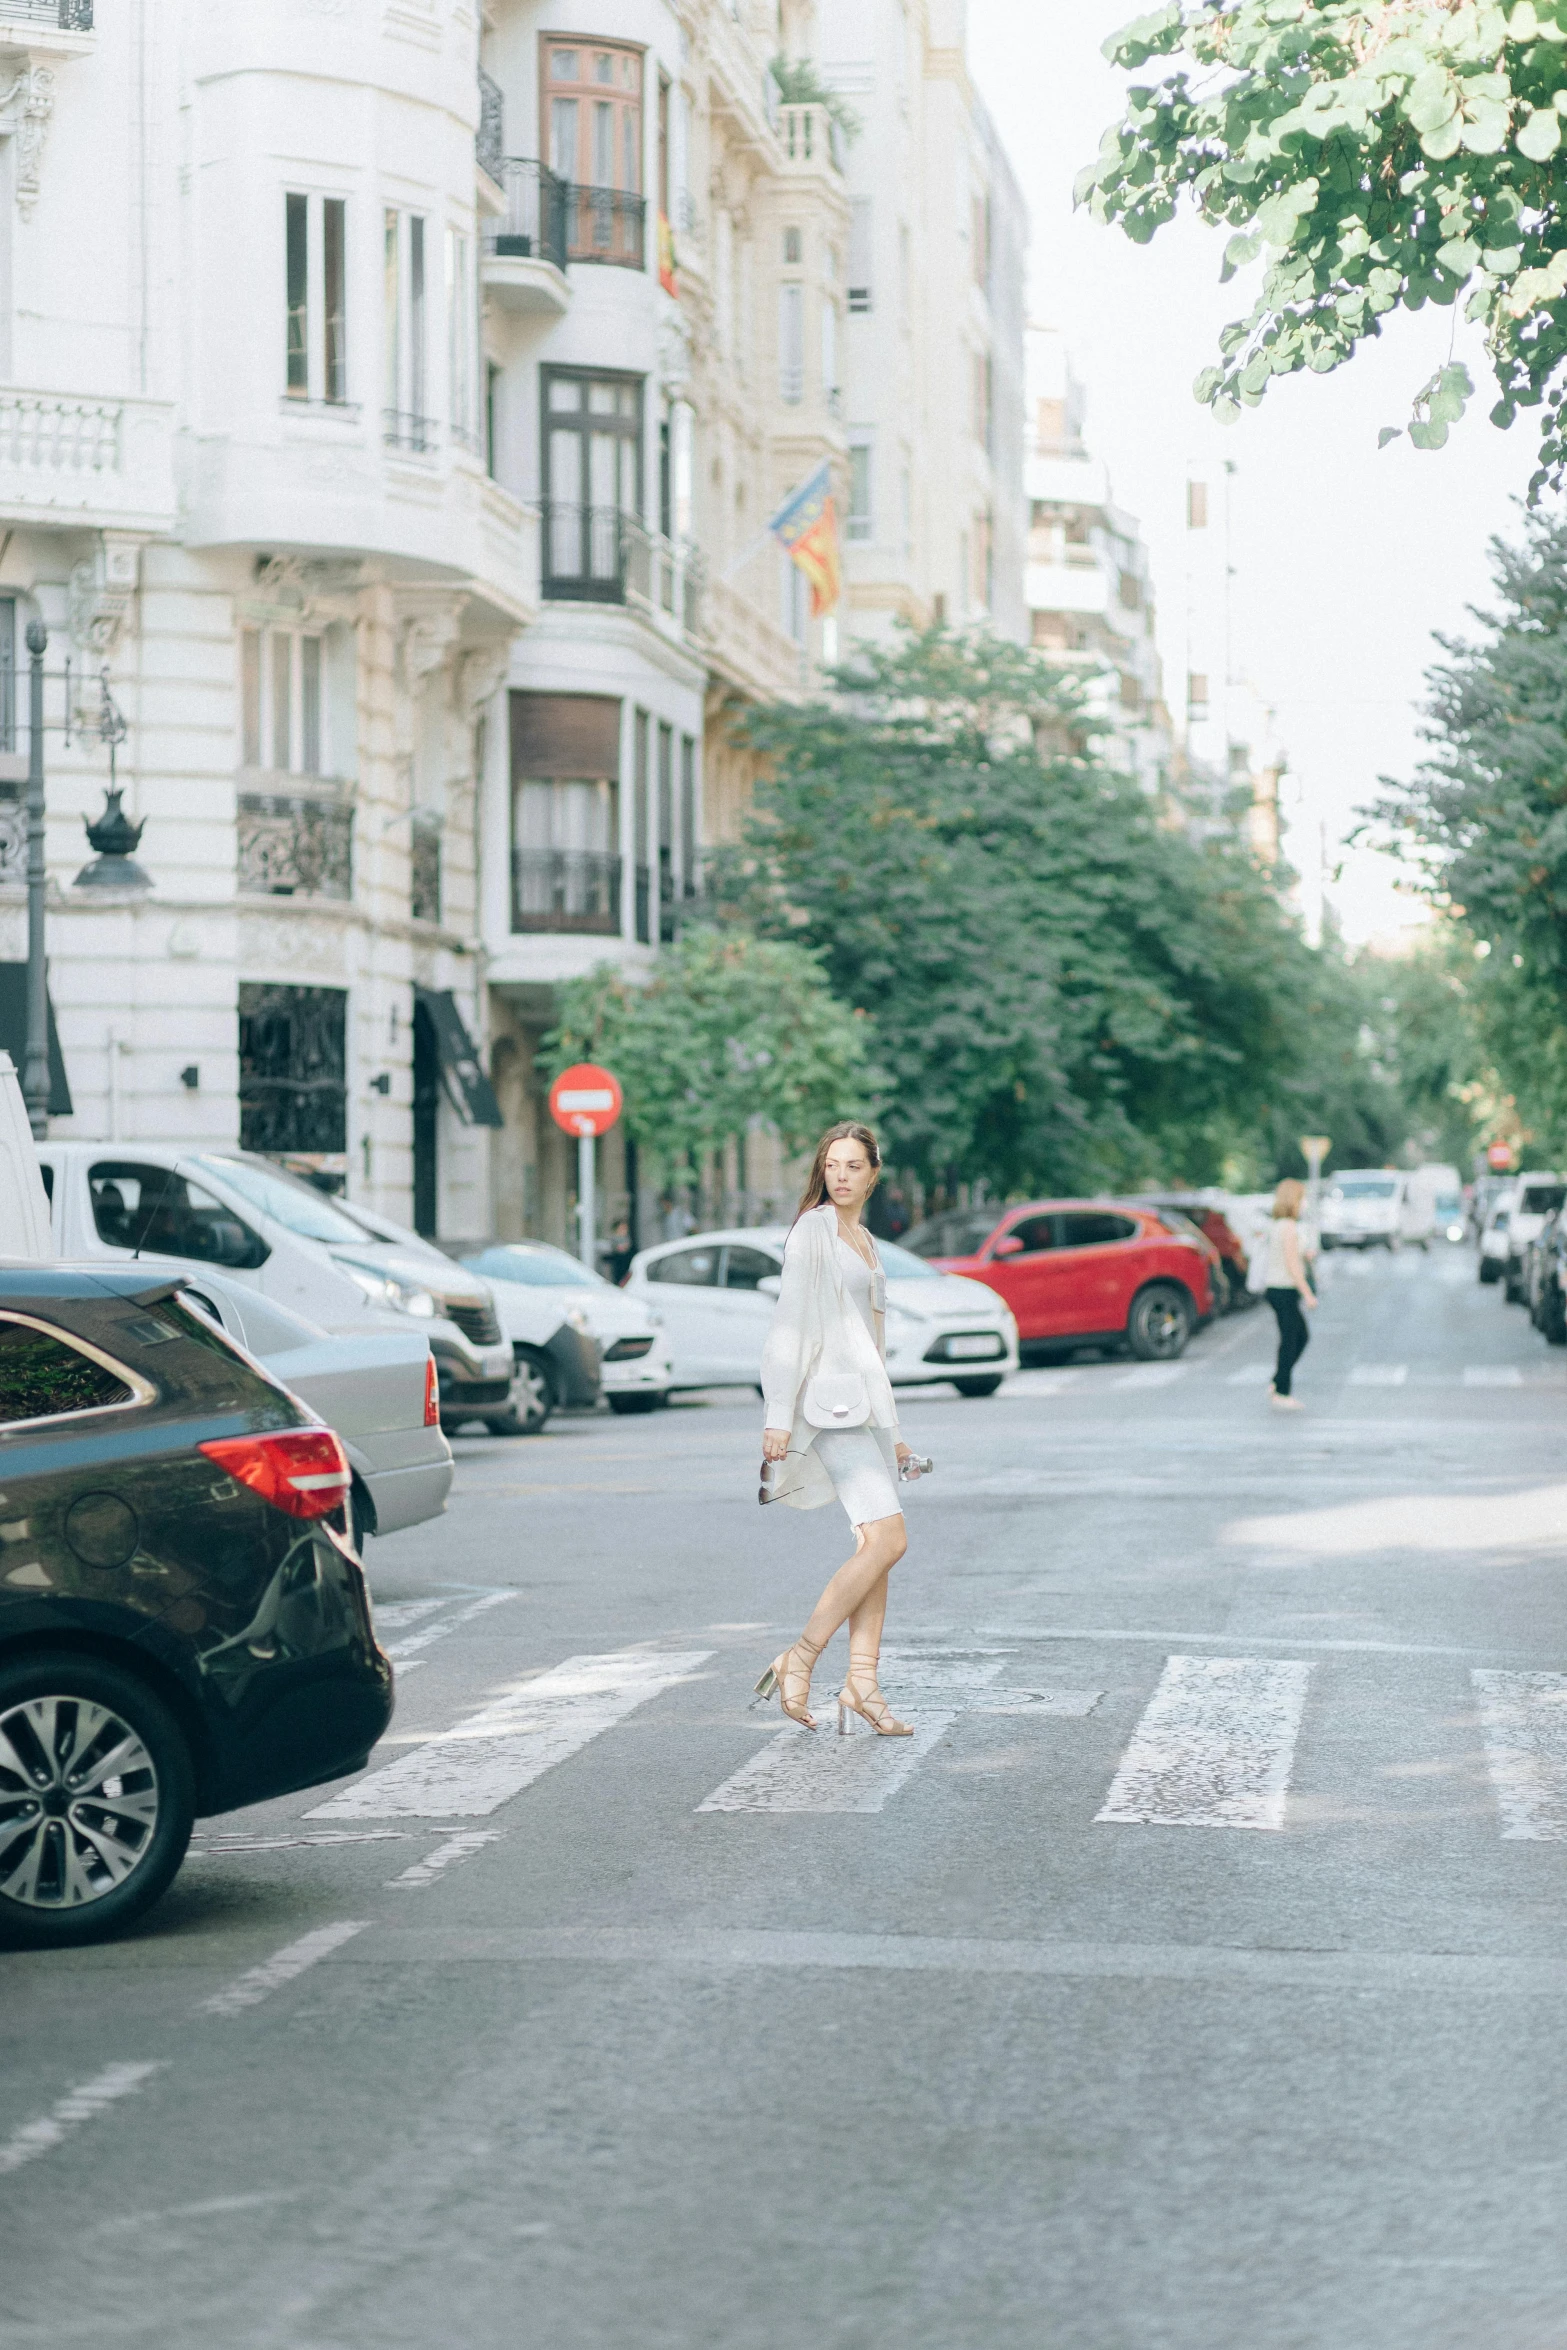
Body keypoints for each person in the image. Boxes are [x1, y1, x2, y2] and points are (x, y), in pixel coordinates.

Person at [755, 1121, 920, 1736]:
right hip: (828, 1407)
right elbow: (789, 1326)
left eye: (854, 1166)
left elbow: (869, 1344)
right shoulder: (816, 1230)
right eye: (832, 1166)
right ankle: (799, 1658)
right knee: (888, 1538)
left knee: (873, 1547)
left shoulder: (865, 1239)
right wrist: (777, 1417)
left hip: (865, 1407)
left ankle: (863, 1685)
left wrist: (894, 1429)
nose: (842, 1176)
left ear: (874, 1172)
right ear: (822, 1172)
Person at [1265, 1177, 1317, 1409]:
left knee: (1296, 1336)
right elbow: (1291, 1264)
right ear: (1293, 1200)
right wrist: (1307, 1293)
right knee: (1292, 1338)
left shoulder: (1277, 1225)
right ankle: (1281, 1392)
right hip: (1284, 1289)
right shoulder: (1287, 1227)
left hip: (1277, 1288)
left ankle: (1278, 1381)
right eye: (1302, 1198)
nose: (1304, 1203)